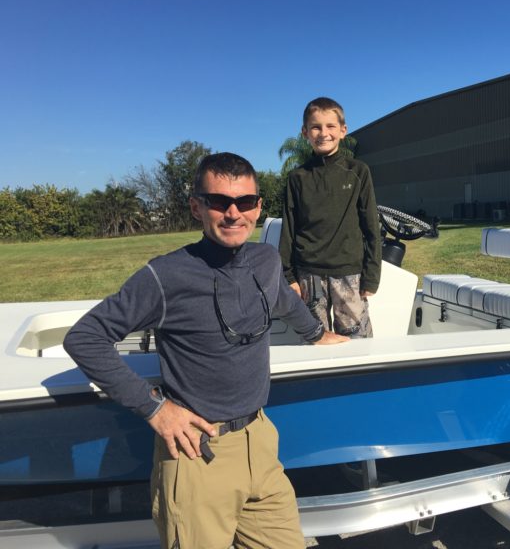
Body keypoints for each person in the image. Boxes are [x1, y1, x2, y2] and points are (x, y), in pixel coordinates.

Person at [63, 152, 347, 549]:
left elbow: (282, 298)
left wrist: (317, 333)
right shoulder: (165, 276)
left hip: (260, 443)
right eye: (219, 202)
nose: (234, 213)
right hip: (198, 455)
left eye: (245, 202)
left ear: (259, 207)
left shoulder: (265, 259)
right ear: (197, 206)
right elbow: (85, 337)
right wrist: (155, 409)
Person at [279, 97, 382, 338]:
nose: (323, 133)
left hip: (349, 273)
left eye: (330, 126)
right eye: (315, 127)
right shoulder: (297, 178)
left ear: (343, 131)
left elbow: (371, 228)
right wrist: (289, 276)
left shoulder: (358, 171)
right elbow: (289, 230)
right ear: (305, 132)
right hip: (309, 275)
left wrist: (372, 275)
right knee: (316, 340)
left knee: (357, 340)